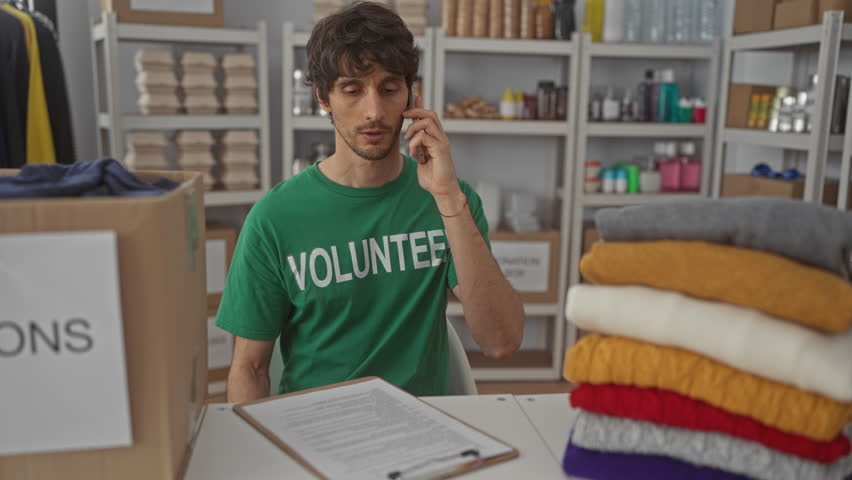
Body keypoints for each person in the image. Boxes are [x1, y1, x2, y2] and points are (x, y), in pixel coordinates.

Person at [216, 1, 525, 402]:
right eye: (352, 90)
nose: (374, 111)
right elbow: (250, 368)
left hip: (423, 434)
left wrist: (448, 198)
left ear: (411, 95)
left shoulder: (451, 201)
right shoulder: (274, 218)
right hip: (315, 434)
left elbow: (501, 340)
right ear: (323, 97)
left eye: (389, 88)